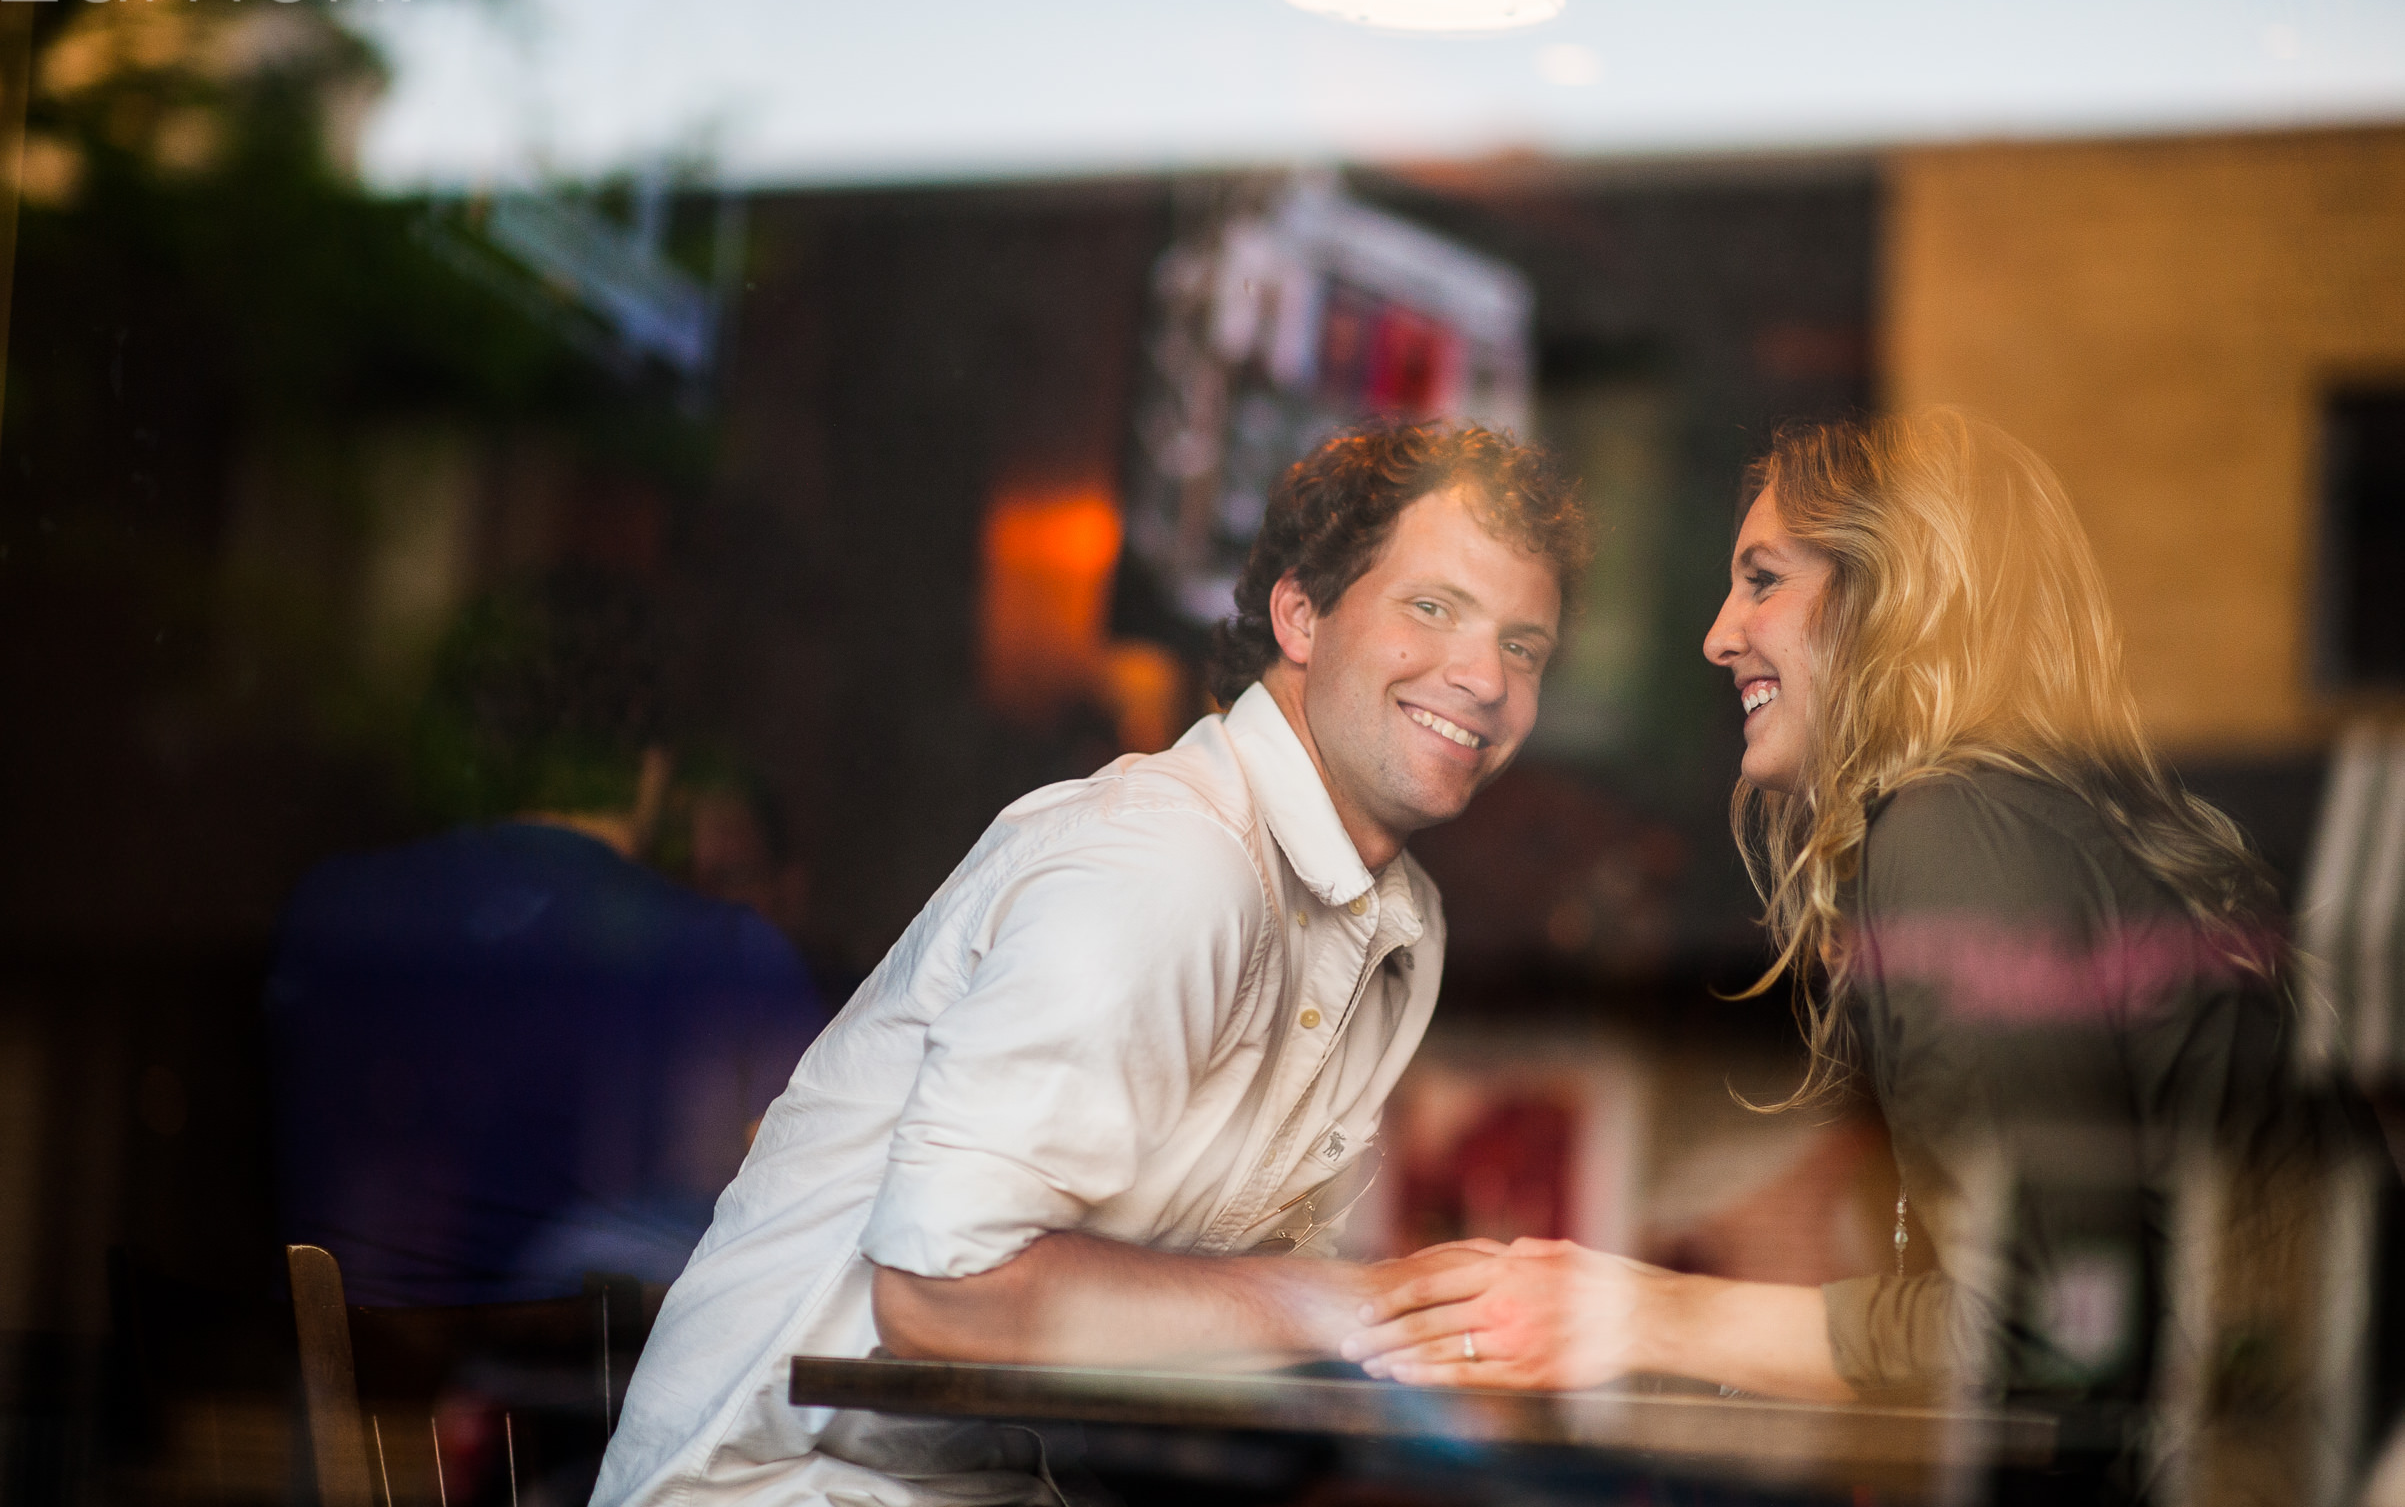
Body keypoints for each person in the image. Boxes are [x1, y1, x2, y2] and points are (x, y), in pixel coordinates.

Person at [1344, 412, 2376, 1496]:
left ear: (1893, 598)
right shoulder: (2018, 825)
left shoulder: (1952, 835)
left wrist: (1637, 1311)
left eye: (1761, 580)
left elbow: (2049, 1328)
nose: (1717, 634)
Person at [592, 422, 1589, 1507]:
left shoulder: (1402, 930)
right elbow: (940, 1294)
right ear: (1299, 614)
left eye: (1522, 645)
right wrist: (1342, 1306)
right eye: (1431, 607)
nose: (1483, 677)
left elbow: (1211, 1323)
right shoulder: (1167, 862)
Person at [268, 572, 830, 1305]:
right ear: (650, 756)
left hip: (359, 1393)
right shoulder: (729, 956)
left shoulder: (337, 913)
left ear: (484, 744)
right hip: (593, 1402)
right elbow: (792, 1224)